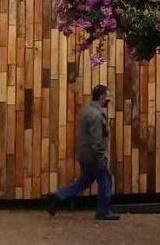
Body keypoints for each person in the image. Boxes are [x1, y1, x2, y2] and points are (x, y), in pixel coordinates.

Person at [47, 84, 120, 220]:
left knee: (83, 182)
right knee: (106, 180)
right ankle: (103, 212)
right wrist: (101, 158)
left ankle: (59, 196)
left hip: (84, 154)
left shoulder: (85, 110)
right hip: (94, 156)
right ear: (102, 97)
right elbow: (96, 140)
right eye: (107, 97)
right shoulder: (97, 115)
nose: (108, 101)